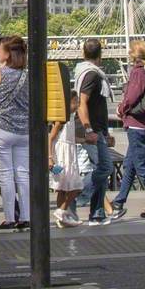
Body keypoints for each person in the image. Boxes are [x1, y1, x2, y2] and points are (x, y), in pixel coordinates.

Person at [110, 40, 145, 220]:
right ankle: (119, 201)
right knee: (130, 165)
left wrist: (121, 109)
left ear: (133, 54)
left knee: (141, 167)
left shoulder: (137, 71)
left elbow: (132, 95)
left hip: (137, 124)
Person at [0, 35, 30, 230]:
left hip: (2, 129)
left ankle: (10, 218)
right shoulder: (28, 75)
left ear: (8, 54)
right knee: (23, 173)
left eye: (0, 50)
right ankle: (26, 216)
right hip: (25, 130)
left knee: (6, 175)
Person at [74, 38, 114, 226]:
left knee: (102, 168)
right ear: (101, 54)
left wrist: (105, 132)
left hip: (97, 129)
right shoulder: (92, 75)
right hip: (91, 129)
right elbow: (82, 102)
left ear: (84, 53)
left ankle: (97, 213)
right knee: (104, 168)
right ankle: (75, 198)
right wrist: (88, 128)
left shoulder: (85, 72)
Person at [48, 92, 83, 227]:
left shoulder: (71, 117)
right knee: (76, 185)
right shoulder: (62, 118)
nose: (78, 104)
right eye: (76, 101)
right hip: (63, 155)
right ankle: (61, 210)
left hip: (68, 152)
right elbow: (51, 137)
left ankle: (61, 217)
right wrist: (50, 158)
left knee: (62, 188)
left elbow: (69, 138)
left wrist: (85, 140)